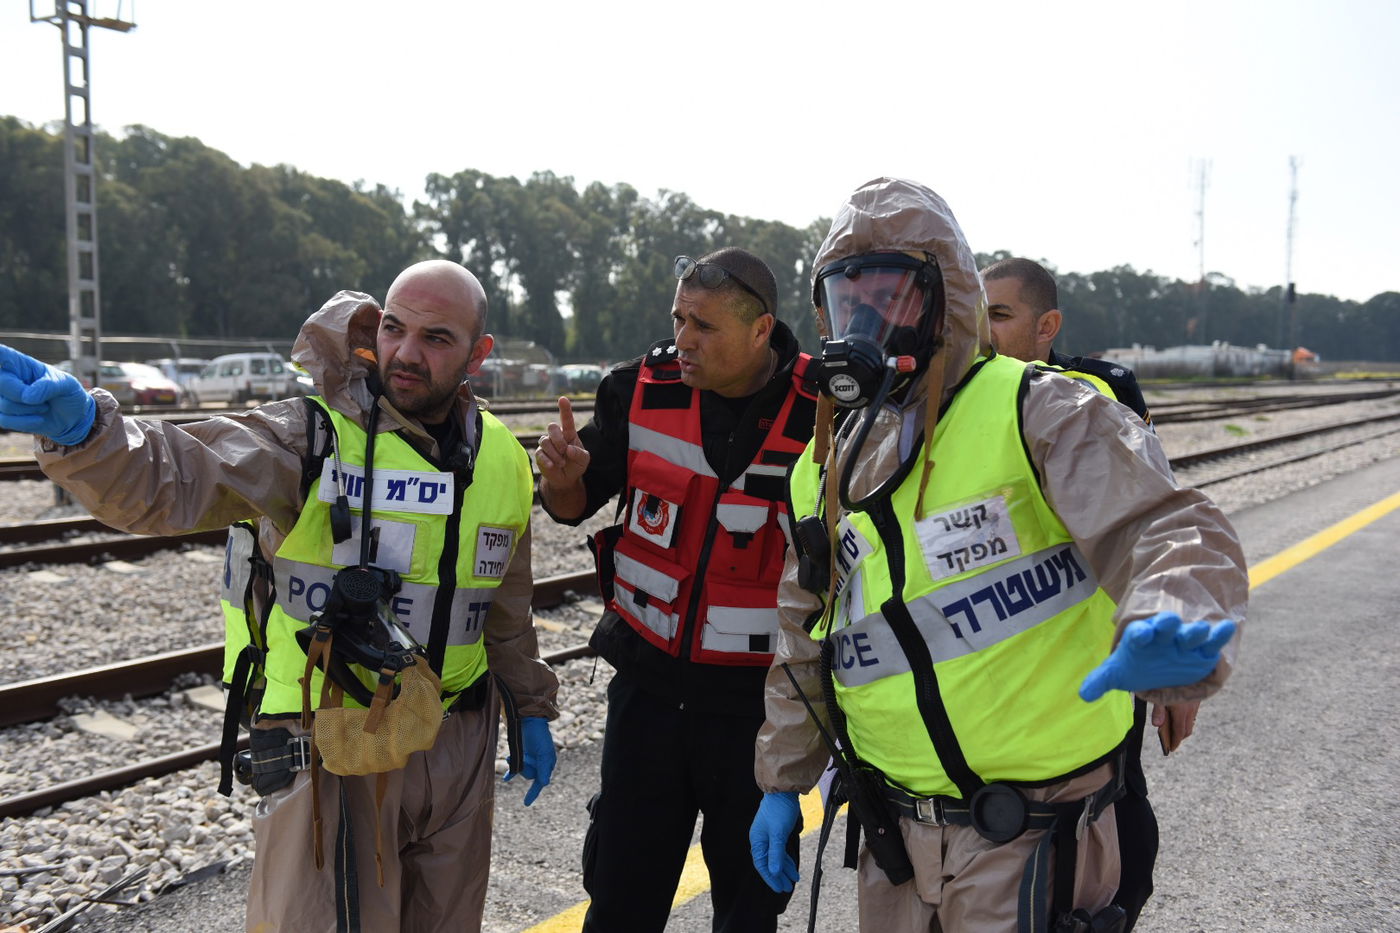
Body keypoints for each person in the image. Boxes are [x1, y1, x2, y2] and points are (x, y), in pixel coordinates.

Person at [0, 259, 559, 933]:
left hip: (458, 744)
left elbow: (505, 605)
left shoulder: (502, 458)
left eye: (436, 338)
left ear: (478, 353)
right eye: (393, 328)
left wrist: (530, 705)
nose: (406, 353)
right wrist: (90, 435)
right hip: (329, 742)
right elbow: (180, 473)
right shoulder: (307, 436)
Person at [747, 178, 1246, 933]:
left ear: (945, 299)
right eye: (850, 301)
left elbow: (1165, 525)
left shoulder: (1042, 409)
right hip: (894, 833)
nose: (868, 321)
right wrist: (782, 779)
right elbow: (805, 630)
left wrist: (1173, 611)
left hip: (1031, 829)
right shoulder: (824, 466)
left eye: (892, 296)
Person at [535, 247, 816, 932]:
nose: (683, 339)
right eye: (677, 319)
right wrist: (561, 480)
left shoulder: (827, 410)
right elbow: (573, 504)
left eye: (704, 325)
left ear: (761, 330)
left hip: (758, 713)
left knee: (748, 912)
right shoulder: (638, 388)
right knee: (620, 904)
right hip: (647, 700)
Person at [981, 256, 1153, 427]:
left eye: (998, 315)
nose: (980, 328)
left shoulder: (1112, 385)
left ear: (1046, 327)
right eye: (975, 316)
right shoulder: (964, 383)